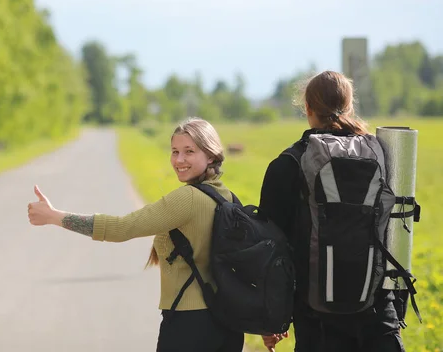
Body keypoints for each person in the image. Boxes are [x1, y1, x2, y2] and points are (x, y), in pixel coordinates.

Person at [27, 117, 245, 352]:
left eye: (189, 151)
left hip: (189, 324)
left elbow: (121, 228)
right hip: (228, 322)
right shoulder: (228, 198)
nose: (179, 160)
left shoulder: (188, 199)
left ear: (211, 155)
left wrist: (54, 217)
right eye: (174, 151)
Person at [259, 70, 406, 352]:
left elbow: (271, 247)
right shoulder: (382, 154)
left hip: (317, 321)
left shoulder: (288, 163)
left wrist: (273, 318)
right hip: (377, 315)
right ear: (349, 106)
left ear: (308, 109)